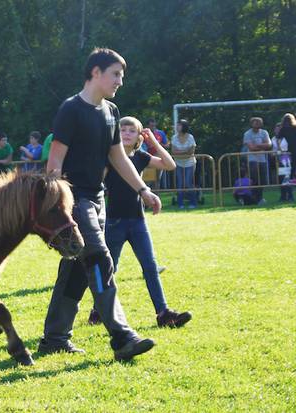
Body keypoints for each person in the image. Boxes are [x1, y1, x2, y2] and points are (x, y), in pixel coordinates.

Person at [41, 48, 159, 361]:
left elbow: (118, 157)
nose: (120, 81)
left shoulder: (112, 112)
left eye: (121, 75)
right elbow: (54, 163)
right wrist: (57, 207)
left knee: (77, 270)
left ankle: (54, 337)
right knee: (99, 259)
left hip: (97, 198)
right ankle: (122, 337)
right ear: (96, 72)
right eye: (115, 74)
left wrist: (143, 190)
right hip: (74, 198)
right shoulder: (71, 109)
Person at [87, 116, 191, 328]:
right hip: (114, 222)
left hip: (138, 222)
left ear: (138, 136)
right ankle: (98, 310)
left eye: (131, 131)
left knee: (150, 267)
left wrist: (153, 142)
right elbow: (97, 180)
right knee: (110, 268)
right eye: (122, 129)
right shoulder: (110, 157)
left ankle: (163, 313)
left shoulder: (142, 156)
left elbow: (170, 165)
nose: (126, 133)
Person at [242, 117, 271, 205]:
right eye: (255, 122)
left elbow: (269, 145)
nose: (257, 124)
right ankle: (254, 198)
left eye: (259, 122)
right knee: (254, 180)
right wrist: (262, 146)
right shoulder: (247, 133)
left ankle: (259, 198)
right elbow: (251, 148)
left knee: (263, 180)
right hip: (252, 160)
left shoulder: (264, 132)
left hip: (262, 160)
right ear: (252, 124)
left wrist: (257, 145)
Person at [171, 119, 197, 209]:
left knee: (188, 183)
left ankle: (193, 203)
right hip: (178, 163)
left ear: (184, 126)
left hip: (190, 163)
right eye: (177, 125)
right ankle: (180, 204)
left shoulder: (190, 137)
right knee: (180, 184)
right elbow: (173, 152)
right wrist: (185, 151)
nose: (177, 127)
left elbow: (191, 152)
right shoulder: (174, 137)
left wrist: (180, 152)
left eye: (179, 125)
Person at [272, 123, 293, 201]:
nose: (277, 131)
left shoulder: (287, 138)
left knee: (286, 178)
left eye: (279, 129)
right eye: (276, 129)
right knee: (281, 179)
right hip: (278, 160)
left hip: (287, 159)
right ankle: (283, 196)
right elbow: (273, 150)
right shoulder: (273, 139)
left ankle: (290, 196)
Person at [278, 113, 296, 179]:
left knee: (290, 164)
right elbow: (279, 139)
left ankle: (291, 178)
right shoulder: (283, 129)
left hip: (289, 148)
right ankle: (291, 178)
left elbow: (279, 139)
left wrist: (280, 148)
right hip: (290, 148)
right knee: (290, 164)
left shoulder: (283, 128)